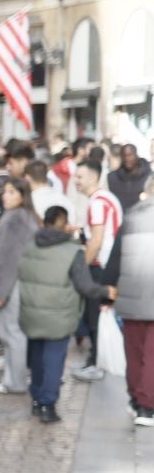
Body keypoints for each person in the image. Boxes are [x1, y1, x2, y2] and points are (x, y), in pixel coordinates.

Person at [17, 205, 111, 424]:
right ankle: (48, 404)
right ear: (65, 223)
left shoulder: (30, 246)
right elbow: (85, 286)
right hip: (59, 313)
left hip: (32, 310)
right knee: (54, 359)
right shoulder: (73, 251)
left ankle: (37, 398)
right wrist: (106, 291)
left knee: (37, 357)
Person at [0, 176, 40, 395]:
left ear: (22, 196)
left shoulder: (17, 219)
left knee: (11, 332)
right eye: (4, 192)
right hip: (17, 282)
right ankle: (12, 378)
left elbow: (7, 259)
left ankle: (14, 381)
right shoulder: (21, 217)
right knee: (10, 332)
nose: (5, 196)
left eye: (11, 192)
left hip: (13, 284)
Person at [72, 155, 124, 383]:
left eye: (79, 176)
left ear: (93, 177)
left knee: (95, 316)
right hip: (108, 265)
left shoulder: (97, 203)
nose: (75, 181)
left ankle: (97, 363)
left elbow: (97, 240)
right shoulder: (106, 198)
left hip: (100, 267)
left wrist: (81, 267)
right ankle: (96, 360)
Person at [115, 190, 154, 425]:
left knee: (135, 350)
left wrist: (106, 288)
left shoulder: (131, 215)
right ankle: (148, 406)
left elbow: (115, 256)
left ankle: (136, 399)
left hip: (132, 291)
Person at [110, 143, 150, 207]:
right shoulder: (112, 177)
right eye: (124, 156)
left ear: (136, 155)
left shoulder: (149, 177)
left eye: (130, 155)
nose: (127, 159)